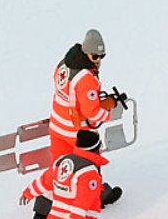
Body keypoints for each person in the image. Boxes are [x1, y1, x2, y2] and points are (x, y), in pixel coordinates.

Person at [48, 28, 120, 161]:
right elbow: (91, 112)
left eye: (101, 56)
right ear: (86, 52)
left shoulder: (64, 63)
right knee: (86, 169)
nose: (98, 60)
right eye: (95, 56)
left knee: (60, 171)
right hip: (75, 133)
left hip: (56, 126)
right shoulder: (86, 78)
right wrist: (108, 113)